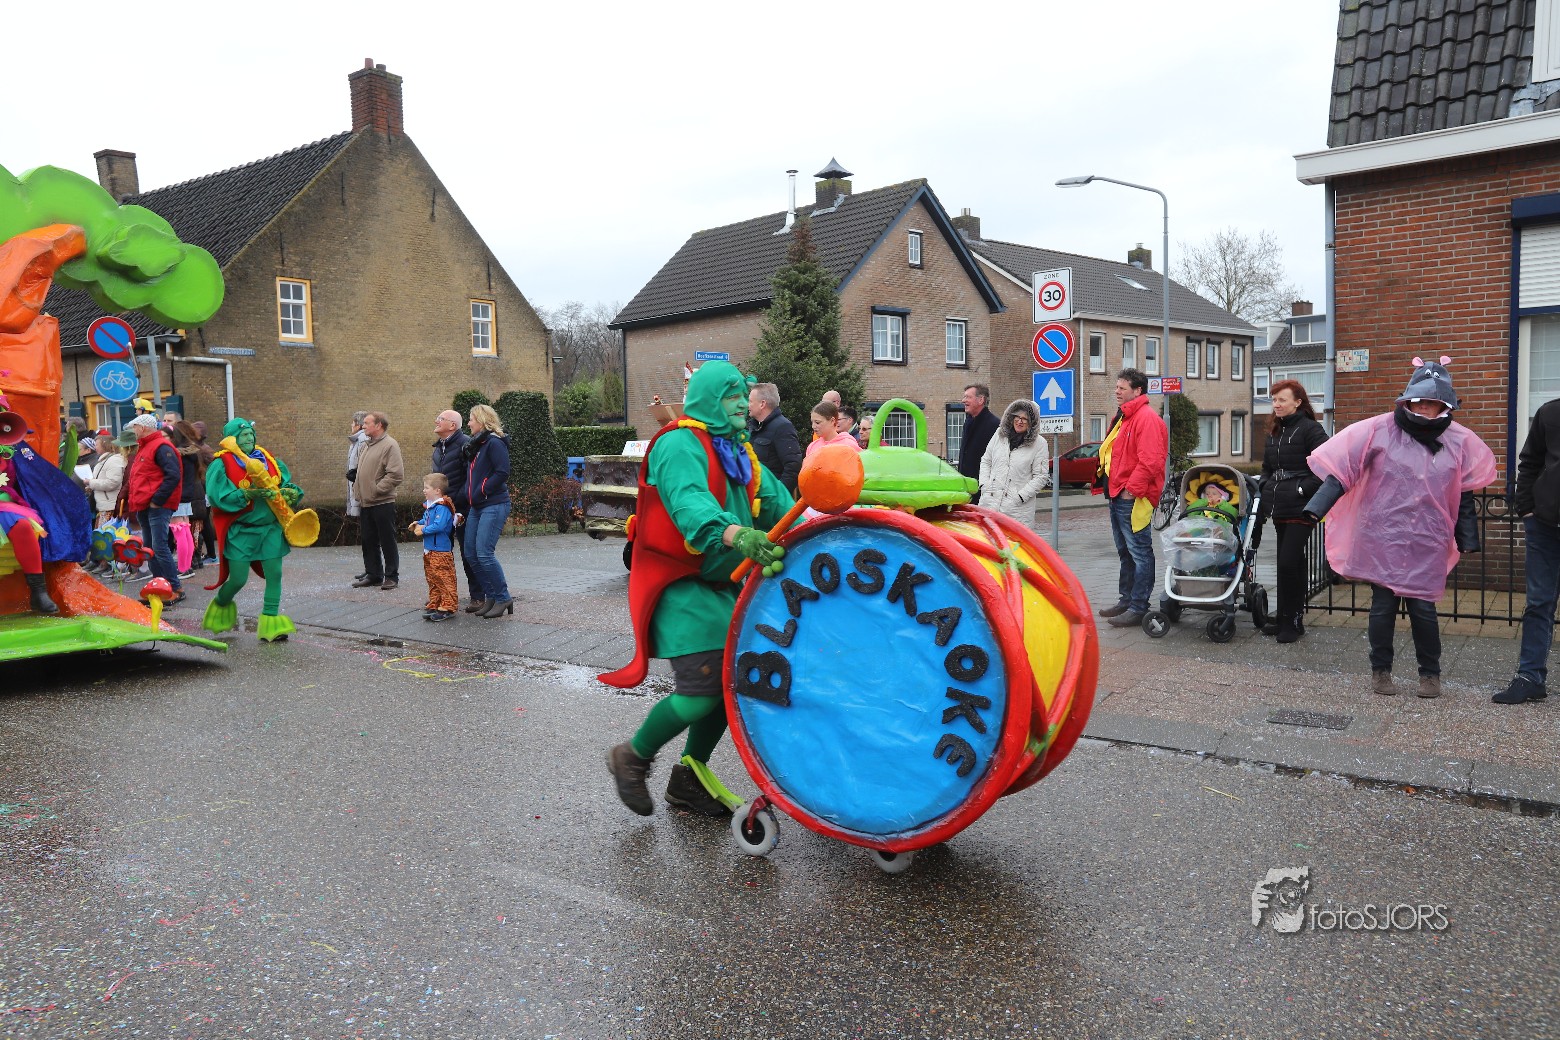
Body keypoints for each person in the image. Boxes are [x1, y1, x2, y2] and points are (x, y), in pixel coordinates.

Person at [601, 360, 794, 818]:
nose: (741, 405)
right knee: (701, 689)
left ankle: (689, 778)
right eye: (732, 396)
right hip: (681, 584)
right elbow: (689, 503)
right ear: (709, 399)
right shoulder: (679, 444)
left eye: (743, 396)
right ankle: (632, 756)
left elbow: (783, 507)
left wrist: (835, 526)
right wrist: (737, 534)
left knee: (733, 684)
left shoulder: (740, 452)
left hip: (725, 585)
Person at [1303, 357, 1495, 699]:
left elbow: (1462, 492)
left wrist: (1467, 536)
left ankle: (1430, 675)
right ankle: (1381, 671)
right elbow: (1344, 470)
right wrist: (1316, 507)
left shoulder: (1458, 442)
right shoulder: (1379, 431)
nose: (1424, 407)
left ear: (1445, 406)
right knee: (1383, 607)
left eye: (1432, 402)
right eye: (1418, 400)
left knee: (1423, 610)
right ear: (1408, 400)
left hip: (1427, 539)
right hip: (1383, 537)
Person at [202, 417, 306, 643]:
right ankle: (221, 604)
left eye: (251, 434)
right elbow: (218, 497)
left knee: (274, 574)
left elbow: (284, 484)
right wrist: (248, 494)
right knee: (238, 579)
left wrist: (290, 493)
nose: (249, 438)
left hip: (270, 529)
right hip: (241, 531)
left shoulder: (268, 458)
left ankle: (271, 621)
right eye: (243, 435)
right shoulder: (221, 463)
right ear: (233, 439)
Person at [1495, 396, 1560, 704]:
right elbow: (1530, 462)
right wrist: (1526, 510)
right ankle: (1530, 677)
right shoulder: (1550, 412)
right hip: (1545, 527)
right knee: (1538, 604)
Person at [1094, 368, 1168, 628]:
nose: (1117, 391)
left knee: (1140, 552)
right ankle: (1126, 601)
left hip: (1132, 497)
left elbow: (1151, 461)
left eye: (1122, 388)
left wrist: (1131, 490)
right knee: (1125, 551)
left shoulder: (1145, 419)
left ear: (1137, 391)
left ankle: (1138, 607)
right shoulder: (1126, 416)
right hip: (1118, 494)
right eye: (1116, 387)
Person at [1257, 380, 1329, 643]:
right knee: (1289, 563)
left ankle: (1293, 620)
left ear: (1297, 402)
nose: (1276, 404)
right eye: (1274, 399)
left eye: (1282, 400)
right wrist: (1264, 485)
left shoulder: (1311, 429)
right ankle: (1286, 618)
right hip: (1279, 505)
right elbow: (1267, 467)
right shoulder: (1275, 430)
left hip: (1302, 508)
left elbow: (1326, 465)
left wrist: (1302, 489)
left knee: (1288, 562)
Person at [125, 413, 184, 604]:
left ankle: (175, 587)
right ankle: (160, 587)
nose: (133, 431)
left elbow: (173, 475)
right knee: (150, 548)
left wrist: (157, 500)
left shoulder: (160, 447)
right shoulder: (148, 447)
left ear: (142, 428)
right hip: (146, 505)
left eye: (135, 427)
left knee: (158, 547)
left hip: (156, 505)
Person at [463, 404, 513, 617]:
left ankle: (503, 598)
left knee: (484, 553)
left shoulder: (494, 442)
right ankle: (491, 596)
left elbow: (503, 472)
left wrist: (481, 490)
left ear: (482, 420)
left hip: (494, 504)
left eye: (471, 419)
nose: (468, 423)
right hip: (477, 506)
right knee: (471, 553)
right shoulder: (478, 444)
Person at [432, 409, 478, 611]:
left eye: (440, 419)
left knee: (468, 553)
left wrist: (456, 500)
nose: (436, 421)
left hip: (462, 508)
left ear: (452, 425)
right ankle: (444, 596)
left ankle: (478, 596)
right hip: (442, 509)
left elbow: (470, 477)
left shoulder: (465, 445)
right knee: (440, 554)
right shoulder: (438, 448)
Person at [352, 411, 404, 591]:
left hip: (382, 502)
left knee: (387, 540)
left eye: (367, 423)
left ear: (379, 425)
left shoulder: (390, 445)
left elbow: (396, 475)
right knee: (368, 540)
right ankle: (373, 574)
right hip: (366, 502)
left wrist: (376, 490)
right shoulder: (366, 445)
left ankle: (391, 576)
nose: (363, 426)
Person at [978, 399, 1050, 526]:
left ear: (1032, 422)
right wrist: (984, 485)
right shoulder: (999, 435)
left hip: (1017, 511)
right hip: (989, 503)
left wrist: (1020, 497)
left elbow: (1041, 477)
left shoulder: (1040, 444)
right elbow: (986, 460)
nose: (1019, 421)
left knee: (1011, 539)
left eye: (1025, 419)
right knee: (986, 537)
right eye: (1017, 416)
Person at [410, 472, 458, 622]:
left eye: (427, 488)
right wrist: (418, 523)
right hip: (429, 549)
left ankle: (448, 606)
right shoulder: (431, 506)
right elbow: (426, 520)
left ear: (437, 490)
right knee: (432, 577)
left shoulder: (442, 507)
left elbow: (439, 525)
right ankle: (436, 601)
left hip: (440, 550)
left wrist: (423, 530)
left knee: (444, 578)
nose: (424, 490)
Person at [747, 382, 803, 494]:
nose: (747, 405)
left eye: (750, 401)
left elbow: (793, 467)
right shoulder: (754, 427)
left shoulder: (783, 427)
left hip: (771, 498)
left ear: (762, 404)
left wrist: (778, 496)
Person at [169, 421, 207, 577]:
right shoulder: (193, 452)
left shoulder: (179, 454)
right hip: (188, 494)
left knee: (180, 534)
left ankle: (183, 568)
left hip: (178, 495)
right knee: (185, 532)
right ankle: (187, 566)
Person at [957, 384, 1000, 504]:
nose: (963, 400)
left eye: (968, 397)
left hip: (983, 491)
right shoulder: (968, 421)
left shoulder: (995, 425)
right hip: (966, 488)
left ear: (981, 400)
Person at [345, 411, 369, 580]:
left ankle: (374, 570)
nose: (351, 426)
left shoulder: (362, 441)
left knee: (369, 535)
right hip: (358, 491)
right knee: (366, 535)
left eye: (353, 423)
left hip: (363, 493)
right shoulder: (356, 441)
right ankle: (370, 569)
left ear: (359, 425)